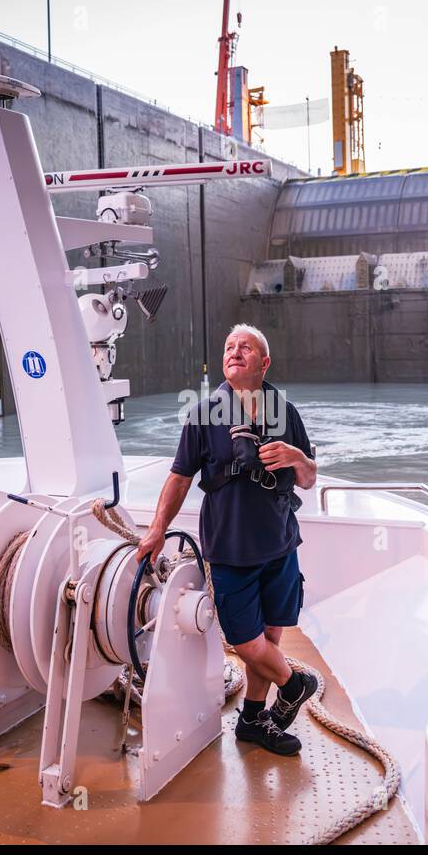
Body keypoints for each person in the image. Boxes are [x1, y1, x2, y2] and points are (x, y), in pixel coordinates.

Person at [137, 323, 319, 755]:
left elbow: (309, 480)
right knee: (245, 642)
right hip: (230, 550)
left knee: (269, 640)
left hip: (280, 546)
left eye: (246, 347)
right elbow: (179, 478)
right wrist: (156, 529)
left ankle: (253, 721)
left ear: (264, 362)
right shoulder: (204, 414)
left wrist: (295, 457)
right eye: (229, 347)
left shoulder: (285, 412)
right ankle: (296, 685)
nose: (235, 352)